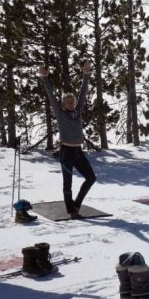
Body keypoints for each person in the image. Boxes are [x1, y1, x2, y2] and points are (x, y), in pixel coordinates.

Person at [40, 61, 96, 219]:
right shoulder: (60, 113)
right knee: (68, 183)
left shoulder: (78, 111)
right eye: (69, 102)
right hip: (66, 151)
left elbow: (83, 93)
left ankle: (77, 204)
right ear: (63, 104)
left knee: (91, 178)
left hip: (78, 151)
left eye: (73, 102)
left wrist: (86, 75)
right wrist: (45, 78)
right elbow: (51, 96)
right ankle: (71, 211)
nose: (72, 104)